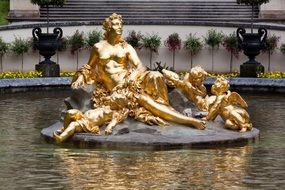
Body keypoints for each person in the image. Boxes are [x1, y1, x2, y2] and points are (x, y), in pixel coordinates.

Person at [70, 13, 205, 131]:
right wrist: (81, 77)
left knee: (156, 75)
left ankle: (166, 107)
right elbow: (89, 67)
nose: (120, 27)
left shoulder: (126, 47)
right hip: (117, 90)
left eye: (120, 24)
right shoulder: (98, 47)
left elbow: (141, 66)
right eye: (116, 24)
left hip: (131, 81)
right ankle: (186, 120)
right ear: (108, 27)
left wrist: (132, 76)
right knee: (145, 100)